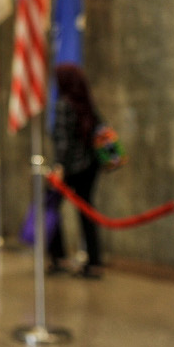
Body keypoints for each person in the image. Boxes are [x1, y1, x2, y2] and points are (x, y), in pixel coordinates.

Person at [48, 63, 103, 279]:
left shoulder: (63, 105)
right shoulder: (85, 102)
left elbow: (63, 141)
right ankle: (94, 260)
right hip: (90, 166)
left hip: (71, 168)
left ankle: (58, 256)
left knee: (50, 206)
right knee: (87, 213)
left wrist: (59, 167)